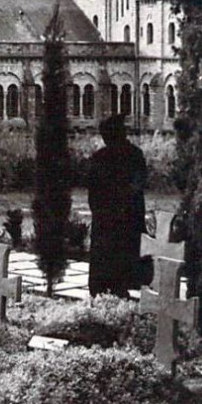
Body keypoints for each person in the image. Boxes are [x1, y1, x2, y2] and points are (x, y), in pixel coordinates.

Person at [86, 113, 147, 297]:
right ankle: (108, 288)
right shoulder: (102, 157)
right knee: (113, 252)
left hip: (119, 215)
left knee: (117, 252)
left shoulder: (132, 155)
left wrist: (115, 205)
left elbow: (138, 183)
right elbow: (93, 188)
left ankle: (114, 288)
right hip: (115, 215)